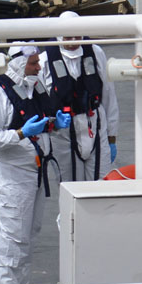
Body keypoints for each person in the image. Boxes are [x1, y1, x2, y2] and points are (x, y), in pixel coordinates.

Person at [0, 45, 72, 284]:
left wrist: (55, 125)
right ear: (19, 64)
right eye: (33, 63)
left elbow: (42, 123)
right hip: (14, 177)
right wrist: (20, 133)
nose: (39, 67)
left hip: (36, 175)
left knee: (29, 236)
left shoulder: (35, 87)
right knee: (13, 240)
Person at [40, 10, 119, 181]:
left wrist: (112, 136)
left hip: (95, 125)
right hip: (63, 133)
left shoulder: (96, 52)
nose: (73, 42)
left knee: (102, 183)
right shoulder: (44, 60)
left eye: (77, 36)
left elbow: (108, 94)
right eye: (68, 37)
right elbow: (40, 103)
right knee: (69, 185)